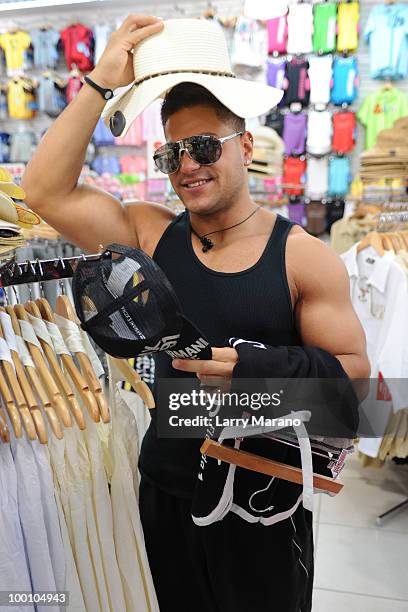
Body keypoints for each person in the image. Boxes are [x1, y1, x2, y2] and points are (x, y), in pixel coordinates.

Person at [22, 15, 370, 612]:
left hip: (265, 499)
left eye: (205, 146)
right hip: (165, 489)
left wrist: (258, 375)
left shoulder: (304, 259)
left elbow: (357, 386)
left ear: (246, 146)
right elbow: (45, 192)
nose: (188, 166)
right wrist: (103, 80)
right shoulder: (150, 234)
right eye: (172, 154)